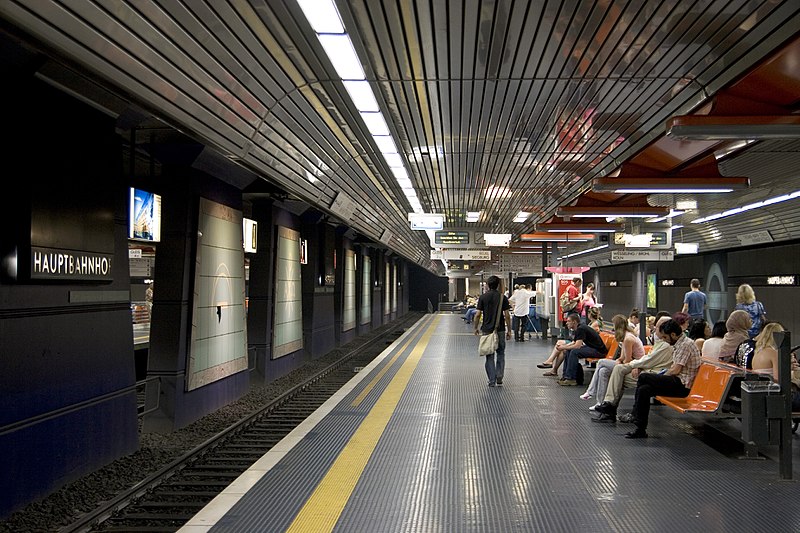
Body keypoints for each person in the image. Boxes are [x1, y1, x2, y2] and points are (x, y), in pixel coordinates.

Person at [619, 318, 702, 439]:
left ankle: (634, 415)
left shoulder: (685, 345)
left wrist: (659, 377)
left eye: (665, 337)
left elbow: (675, 370)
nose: (664, 340)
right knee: (644, 390)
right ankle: (640, 429)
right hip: (677, 381)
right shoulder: (680, 344)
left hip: (682, 385)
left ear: (673, 334)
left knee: (644, 377)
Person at [592, 315, 674, 421]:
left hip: (654, 374)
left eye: (657, 327)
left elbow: (649, 360)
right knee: (617, 370)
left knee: (614, 373)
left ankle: (609, 407)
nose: (654, 329)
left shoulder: (665, 346)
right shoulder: (660, 343)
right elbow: (648, 359)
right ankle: (608, 405)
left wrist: (634, 365)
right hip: (646, 369)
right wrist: (637, 366)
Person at [580, 314, 644, 403]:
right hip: (629, 363)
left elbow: (628, 360)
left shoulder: (628, 339)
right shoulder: (625, 336)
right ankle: (600, 403)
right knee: (603, 371)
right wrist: (619, 360)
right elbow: (623, 356)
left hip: (635, 365)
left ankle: (590, 391)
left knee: (601, 362)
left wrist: (620, 362)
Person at [473, 275, 512, 387]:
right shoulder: (502, 297)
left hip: (487, 331)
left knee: (489, 355)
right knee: (500, 353)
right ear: (498, 285)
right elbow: (507, 316)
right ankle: (499, 377)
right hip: (500, 329)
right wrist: (509, 330)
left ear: (488, 285)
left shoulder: (483, 297)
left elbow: (477, 314)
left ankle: (491, 380)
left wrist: (475, 328)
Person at [556, 312, 608, 386]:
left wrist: (563, 347)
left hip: (598, 351)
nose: (566, 323)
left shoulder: (581, 329)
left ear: (574, 322)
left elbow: (577, 346)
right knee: (569, 350)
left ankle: (571, 378)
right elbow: (574, 342)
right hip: (593, 348)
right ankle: (566, 376)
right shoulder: (579, 328)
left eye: (568, 321)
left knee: (574, 352)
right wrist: (564, 347)